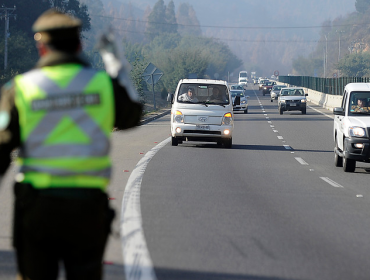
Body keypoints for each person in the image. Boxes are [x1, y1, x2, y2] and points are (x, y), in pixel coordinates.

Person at [0, 9, 142, 280]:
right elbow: (133, 115)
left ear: (42, 47)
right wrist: (117, 66)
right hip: (86, 210)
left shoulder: (21, 89)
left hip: (37, 209)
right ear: (79, 45)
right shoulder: (103, 86)